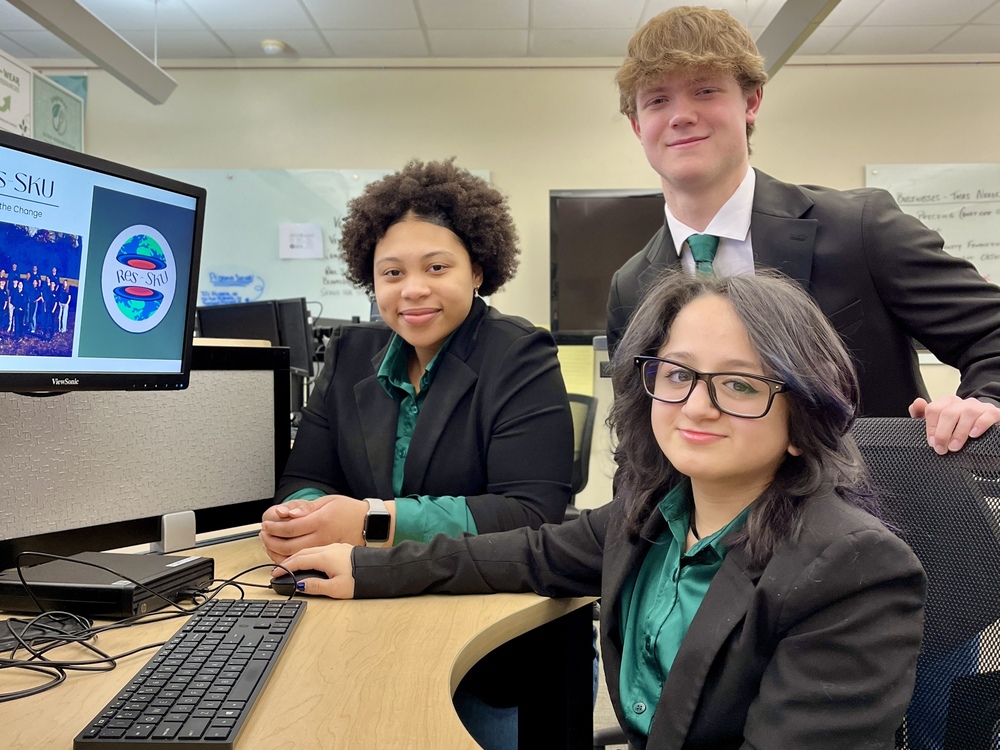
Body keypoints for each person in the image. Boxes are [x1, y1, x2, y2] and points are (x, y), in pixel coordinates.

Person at [274, 271, 926, 750]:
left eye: (740, 384)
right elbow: (525, 554)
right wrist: (366, 569)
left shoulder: (853, 567)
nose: (696, 406)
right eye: (677, 374)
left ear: (801, 415)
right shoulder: (651, 515)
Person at [606, 6, 1000, 457]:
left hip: (877, 514)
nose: (681, 116)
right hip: (720, 524)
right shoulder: (631, 286)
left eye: (705, 90)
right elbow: (638, 443)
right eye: (657, 100)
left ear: (751, 103)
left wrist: (981, 404)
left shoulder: (860, 229)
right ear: (638, 125)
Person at [260, 157, 574, 559]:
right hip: (361, 582)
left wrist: (370, 521)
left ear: (477, 272)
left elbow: (528, 511)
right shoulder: (348, 352)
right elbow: (306, 476)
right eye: (392, 273)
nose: (413, 289)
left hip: (477, 592)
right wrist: (301, 515)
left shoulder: (520, 354)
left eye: (436, 267)